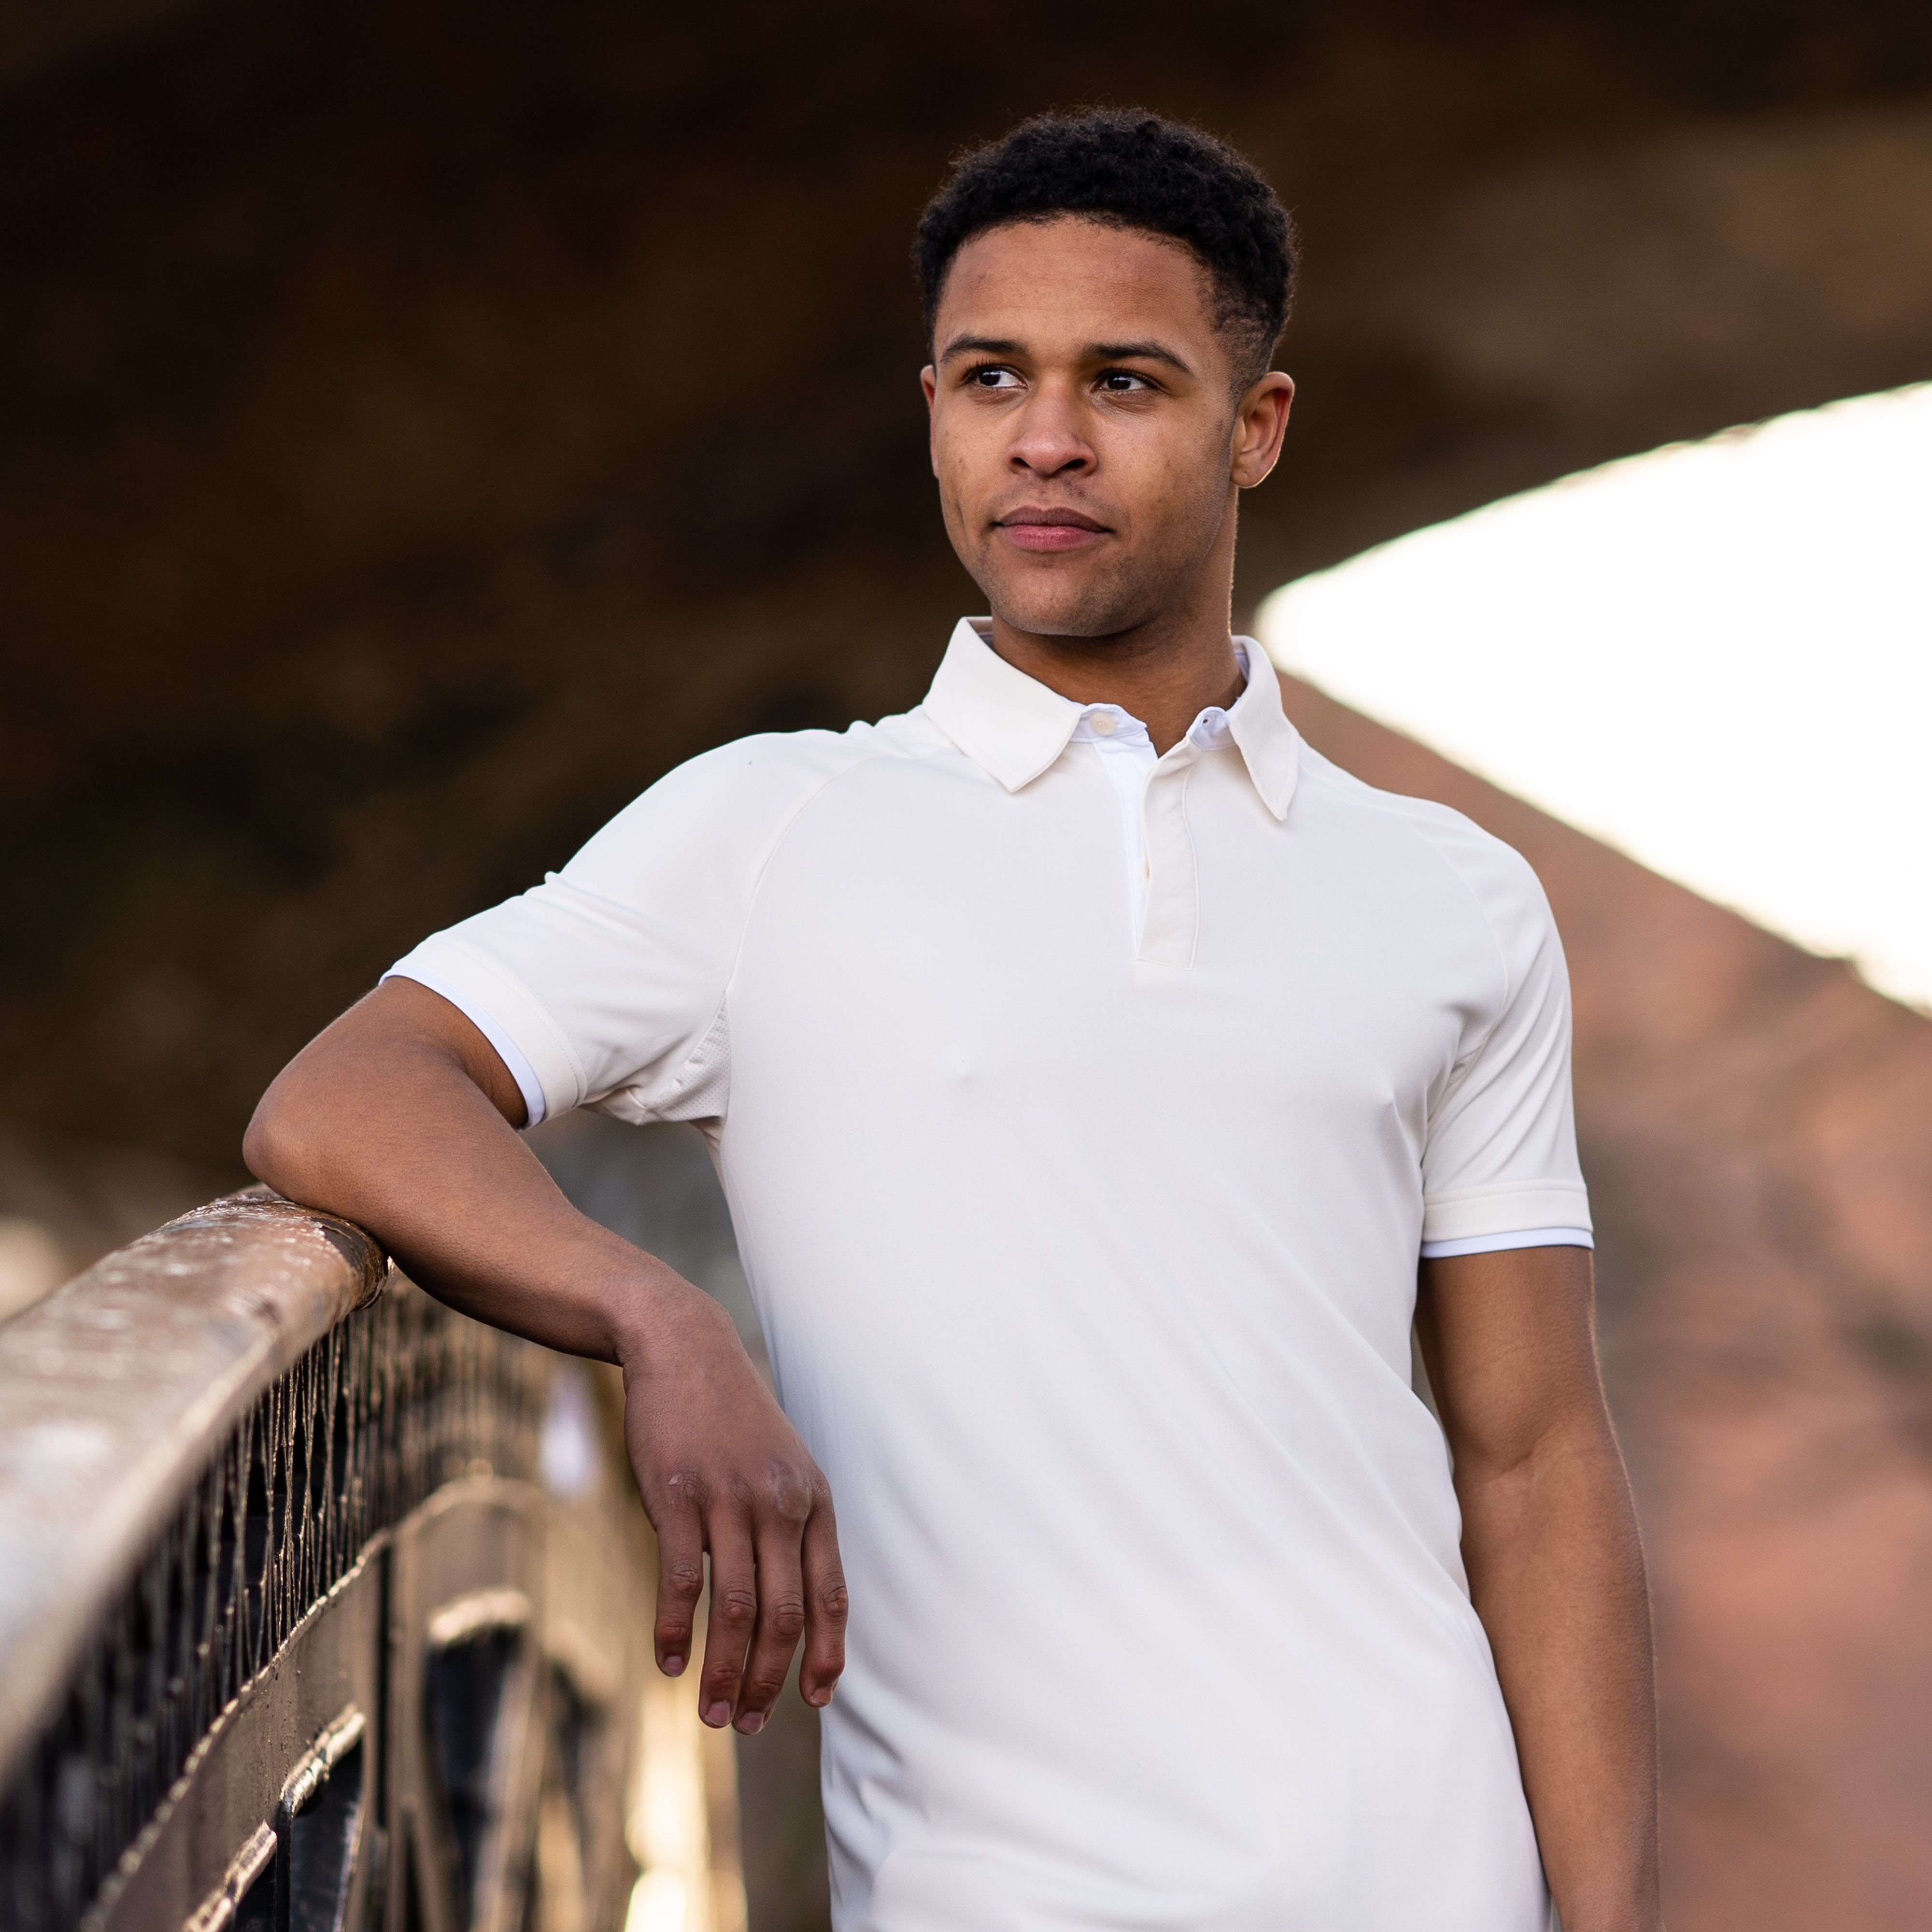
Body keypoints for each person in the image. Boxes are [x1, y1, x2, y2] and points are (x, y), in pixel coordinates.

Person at [247, 110, 1660, 1932]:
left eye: (1124, 381)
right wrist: (654, 1315)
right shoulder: (767, 831)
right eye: (994, 378)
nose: (1045, 438)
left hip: (1429, 1874)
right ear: (933, 412)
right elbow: (350, 1094)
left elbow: (1536, 1458)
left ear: (1256, 427)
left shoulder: (1451, 894)